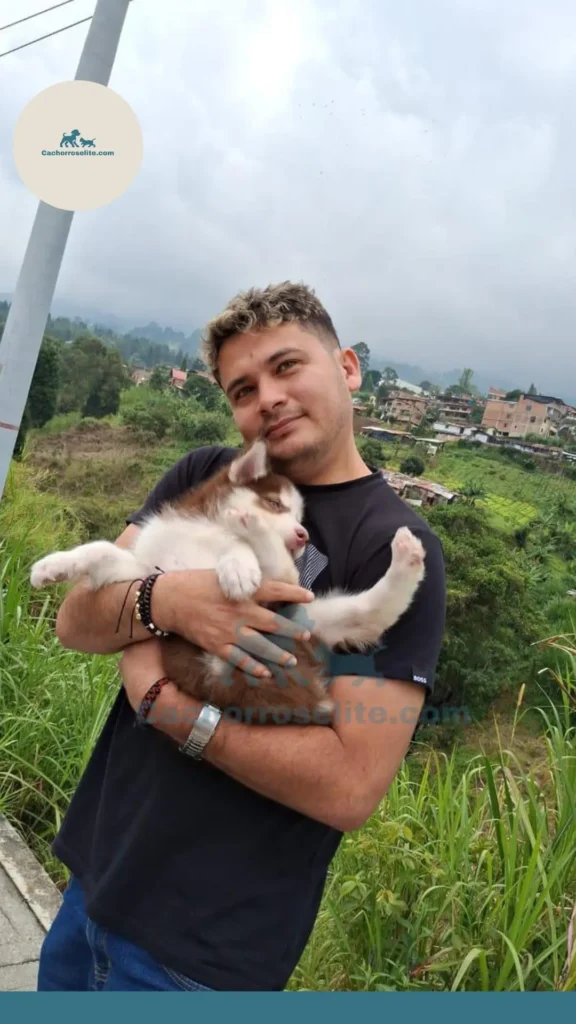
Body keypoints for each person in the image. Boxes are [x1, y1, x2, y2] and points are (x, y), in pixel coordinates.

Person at [37, 281, 446, 992]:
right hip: (94, 882)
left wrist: (166, 706)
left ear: (348, 368)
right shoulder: (206, 472)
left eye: (287, 367)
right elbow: (77, 621)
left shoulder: (395, 544)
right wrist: (168, 600)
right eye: (242, 388)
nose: (267, 399)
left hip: (204, 955)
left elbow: (352, 787)